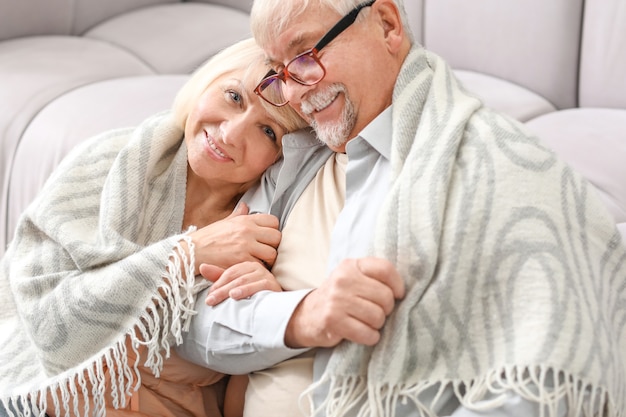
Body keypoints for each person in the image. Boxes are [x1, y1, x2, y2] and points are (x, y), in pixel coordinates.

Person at [178, 0, 626, 416]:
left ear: (387, 25)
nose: (294, 94)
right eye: (281, 72)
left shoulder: (489, 171)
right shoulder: (298, 160)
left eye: (305, 56)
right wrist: (301, 316)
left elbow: (537, 380)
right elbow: (193, 325)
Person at [0, 37, 309, 417]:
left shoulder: (265, 232)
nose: (230, 133)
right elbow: (51, 329)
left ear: (281, 156)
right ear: (207, 82)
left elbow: (243, 395)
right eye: (233, 97)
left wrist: (267, 314)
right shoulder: (107, 163)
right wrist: (187, 254)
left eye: (268, 132)